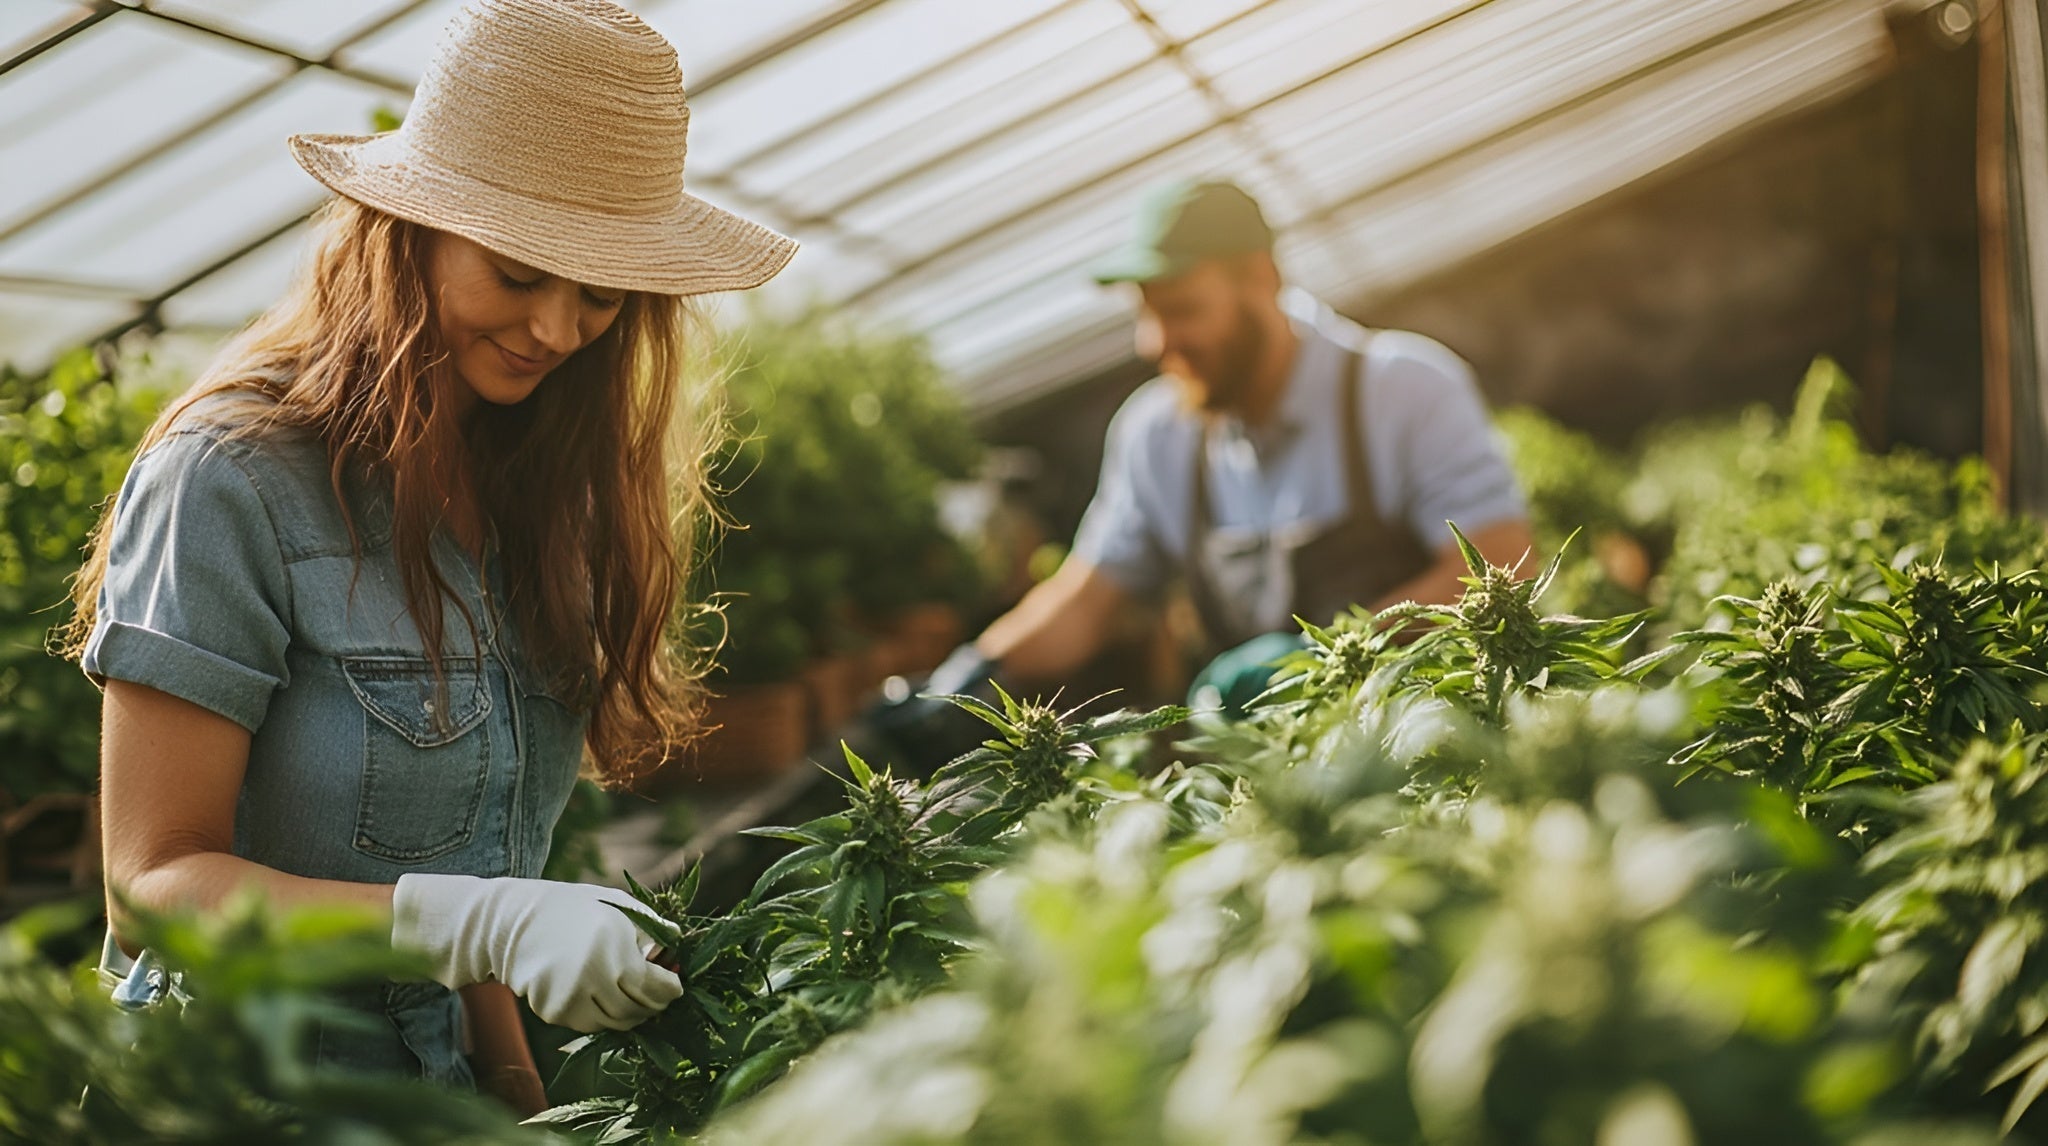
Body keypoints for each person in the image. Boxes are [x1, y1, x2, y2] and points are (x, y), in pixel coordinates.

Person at [59, 0, 794, 1114]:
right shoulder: (231, 478)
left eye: (600, 294)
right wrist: (481, 924)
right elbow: (152, 888)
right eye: (519, 272)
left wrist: (514, 1089)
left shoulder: (530, 484)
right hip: (238, 1098)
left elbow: (472, 869)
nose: (557, 330)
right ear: (410, 232)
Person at [908, 179, 1532, 725]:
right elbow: (1085, 600)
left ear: (1261, 279)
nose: (1156, 342)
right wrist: (966, 681)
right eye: (1146, 315)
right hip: (1261, 779)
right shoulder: (1158, 434)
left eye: (1181, 311)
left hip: (1426, 744)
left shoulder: (1402, 388)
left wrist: (1326, 655)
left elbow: (1500, 561)